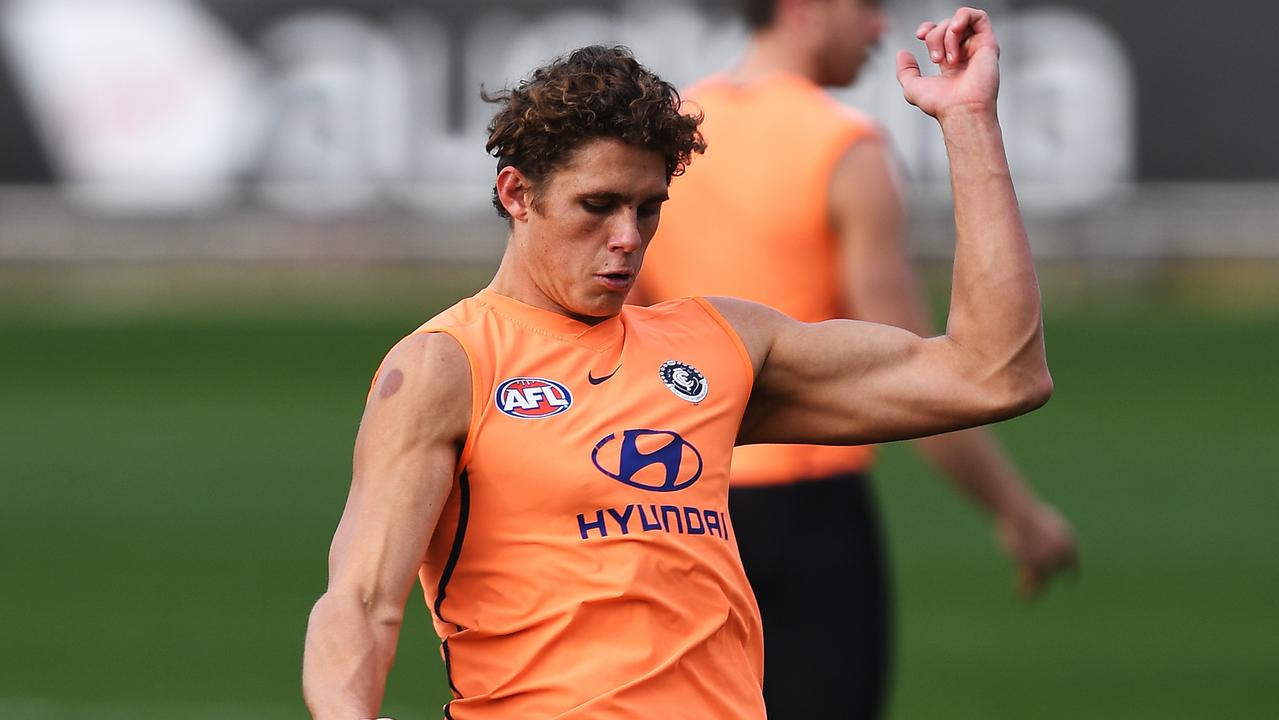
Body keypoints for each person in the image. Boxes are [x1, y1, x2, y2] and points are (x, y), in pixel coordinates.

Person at [303, 8, 1054, 719]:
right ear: (516, 194)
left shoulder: (720, 345)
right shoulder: (446, 366)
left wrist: (968, 123)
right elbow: (361, 600)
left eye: (648, 207)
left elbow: (993, 374)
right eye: (596, 205)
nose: (627, 237)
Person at [633, 1, 1078, 716]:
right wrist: (1015, 512)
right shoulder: (844, 148)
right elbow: (926, 376)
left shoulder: (669, 138)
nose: (879, 29)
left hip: (676, 496)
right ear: (805, 10)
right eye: (866, 9)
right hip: (810, 503)